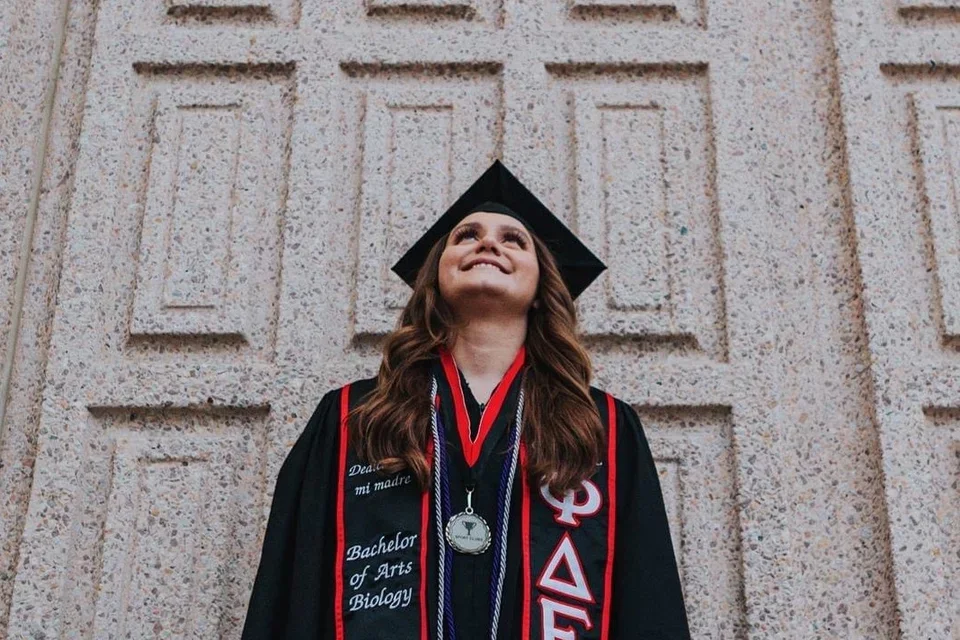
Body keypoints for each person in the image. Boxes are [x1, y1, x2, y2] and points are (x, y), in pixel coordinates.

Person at [240, 160, 691, 639]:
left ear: (542, 288)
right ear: (435, 278)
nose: (488, 243)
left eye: (513, 240)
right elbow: (293, 586)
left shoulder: (603, 428)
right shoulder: (355, 416)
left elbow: (647, 598)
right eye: (466, 235)